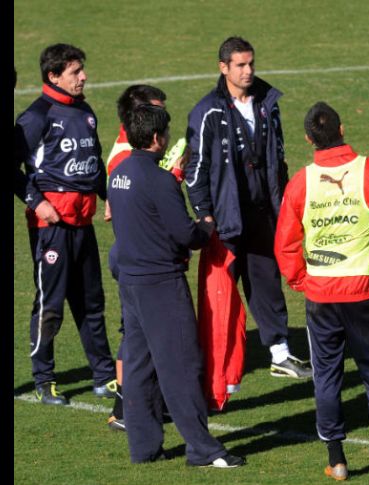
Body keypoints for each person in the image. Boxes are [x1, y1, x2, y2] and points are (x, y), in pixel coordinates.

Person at [274, 102, 369, 480]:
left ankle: (337, 460)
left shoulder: (301, 182)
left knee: (326, 377)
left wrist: (301, 281)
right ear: (342, 128)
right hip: (365, 293)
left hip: (321, 295)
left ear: (308, 139)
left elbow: (285, 244)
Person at [108, 103, 245, 467]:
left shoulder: (118, 172)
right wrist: (207, 225)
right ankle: (202, 448)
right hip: (161, 285)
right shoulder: (159, 180)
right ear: (157, 138)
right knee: (181, 366)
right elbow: (186, 234)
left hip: (131, 283)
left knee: (138, 367)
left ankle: (144, 448)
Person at [185, 36, 311, 379]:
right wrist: (204, 214)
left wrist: (283, 202)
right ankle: (215, 368)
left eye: (251, 63)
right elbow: (195, 169)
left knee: (267, 282)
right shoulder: (207, 111)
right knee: (221, 295)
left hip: (262, 212)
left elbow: (278, 159)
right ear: (223, 67)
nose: (248, 71)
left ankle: (280, 353)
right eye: (240, 65)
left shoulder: (268, 103)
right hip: (225, 219)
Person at [14, 43, 116, 405]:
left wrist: (110, 197)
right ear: (53, 76)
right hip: (51, 227)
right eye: (75, 72)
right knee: (50, 304)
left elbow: (94, 161)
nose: (83, 77)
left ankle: (104, 377)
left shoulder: (85, 111)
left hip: (82, 223)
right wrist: (37, 202)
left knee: (92, 303)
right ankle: (44, 379)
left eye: (82, 70)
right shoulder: (35, 117)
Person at [104, 84, 183, 431]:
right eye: (156, 111)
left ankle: (137, 406)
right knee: (135, 337)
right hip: (138, 257)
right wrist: (173, 176)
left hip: (131, 254)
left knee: (137, 335)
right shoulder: (126, 158)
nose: (164, 119)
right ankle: (124, 409)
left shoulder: (127, 151)